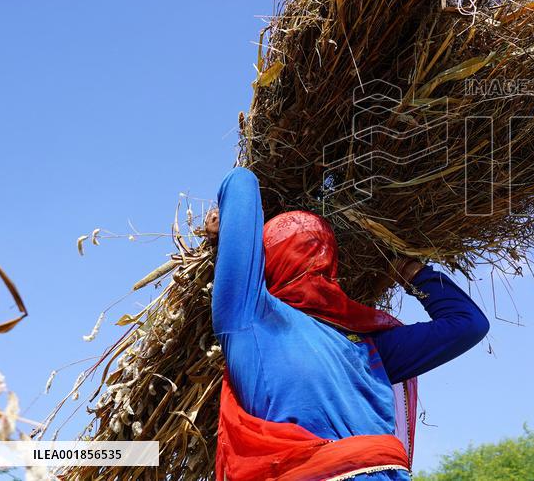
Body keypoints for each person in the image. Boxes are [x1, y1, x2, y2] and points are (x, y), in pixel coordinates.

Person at [207, 167, 489, 481]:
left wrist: (231, 226)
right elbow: (468, 323)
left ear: (266, 261)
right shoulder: (370, 348)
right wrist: (412, 273)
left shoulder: (251, 318)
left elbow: (240, 181)